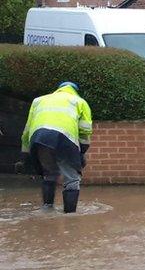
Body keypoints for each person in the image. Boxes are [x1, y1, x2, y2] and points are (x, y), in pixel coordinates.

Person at [20, 82, 92, 213]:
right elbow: (85, 130)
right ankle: (70, 218)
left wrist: (25, 154)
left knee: (50, 174)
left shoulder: (38, 100)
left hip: (39, 138)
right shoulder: (79, 101)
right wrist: (81, 152)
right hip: (64, 138)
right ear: (75, 91)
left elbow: (27, 130)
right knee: (72, 178)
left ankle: (47, 209)